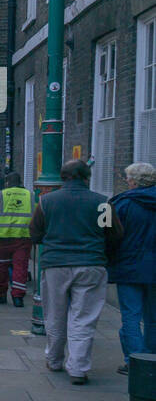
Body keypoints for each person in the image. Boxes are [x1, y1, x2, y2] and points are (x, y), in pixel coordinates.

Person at [30, 159, 123, 384]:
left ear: (63, 177)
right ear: (86, 177)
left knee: (55, 313)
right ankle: (78, 368)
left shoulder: (46, 202)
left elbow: (34, 233)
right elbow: (114, 235)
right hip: (91, 264)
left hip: (55, 265)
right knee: (84, 318)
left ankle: (54, 360)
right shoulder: (102, 203)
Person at [108, 163, 156, 375]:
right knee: (152, 317)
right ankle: (152, 358)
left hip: (129, 267)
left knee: (131, 316)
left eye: (128, 178)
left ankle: (135, 361)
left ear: (135, 181)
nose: (126, 181)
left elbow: (108, 236)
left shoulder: (121, 204)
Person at [0, 171, 33, 307]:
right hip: (23, 236)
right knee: (20, 266)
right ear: (20, 182)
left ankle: (1, 294)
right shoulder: (31, 195)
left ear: (7, 183)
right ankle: (18, 297)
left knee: (1, 266)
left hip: (2, 237)